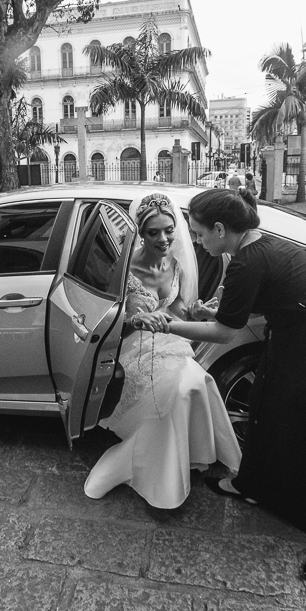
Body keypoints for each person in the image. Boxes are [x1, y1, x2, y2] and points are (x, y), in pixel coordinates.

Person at [150, 187, 306, 581]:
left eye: (199, 234)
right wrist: (213, 309)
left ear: (220, 229)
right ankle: (254, 485)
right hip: (293, 340)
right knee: (267, 413)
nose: (196, 241)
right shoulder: (250, 248)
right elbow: (246, 304)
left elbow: (223, 332)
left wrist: (167, 324)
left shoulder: (249, 260)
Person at [84, 193, 241, 510]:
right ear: (140, 233)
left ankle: (187, 453)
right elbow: (108, 322)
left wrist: (201, 312)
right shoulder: (124, 267)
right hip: (132, 348)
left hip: (171, 344)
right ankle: (135, 464)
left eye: (169, 229)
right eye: (153, 232)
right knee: (174, 394)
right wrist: (137, 318)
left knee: (192, 385)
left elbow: (179, 315)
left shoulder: (176, 265)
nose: (164, 238)